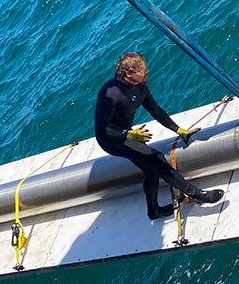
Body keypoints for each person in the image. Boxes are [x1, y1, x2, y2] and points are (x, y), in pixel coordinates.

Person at [96, 52, 225, 220]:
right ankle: (196, 194)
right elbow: (103, 129)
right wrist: (128, 134)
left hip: (128, 134)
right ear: (128, 74)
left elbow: (155, 111)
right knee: (156, 158)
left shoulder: (140, 86)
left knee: (150, 170)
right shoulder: (110, 93)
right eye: (141, 69)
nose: (146, 71)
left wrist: (179, 130)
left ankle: (154, 211)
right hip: (112, 140)